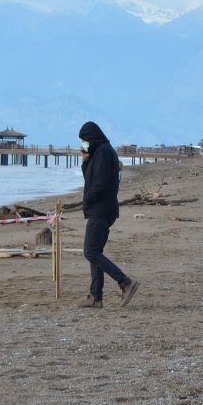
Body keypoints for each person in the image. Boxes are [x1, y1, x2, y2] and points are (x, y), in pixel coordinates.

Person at [78, 121, 139, 308]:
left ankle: (125, 282)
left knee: (90, 251)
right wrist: (85, 161)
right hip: (100, 209)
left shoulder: (104, 152)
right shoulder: (97, 153)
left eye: (85, 141)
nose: (84, 145)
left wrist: (87, 200)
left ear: (92, 138)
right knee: (95, 252)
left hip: (101, 209)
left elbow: (100, 184)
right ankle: (96, 296)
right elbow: (89, 178)